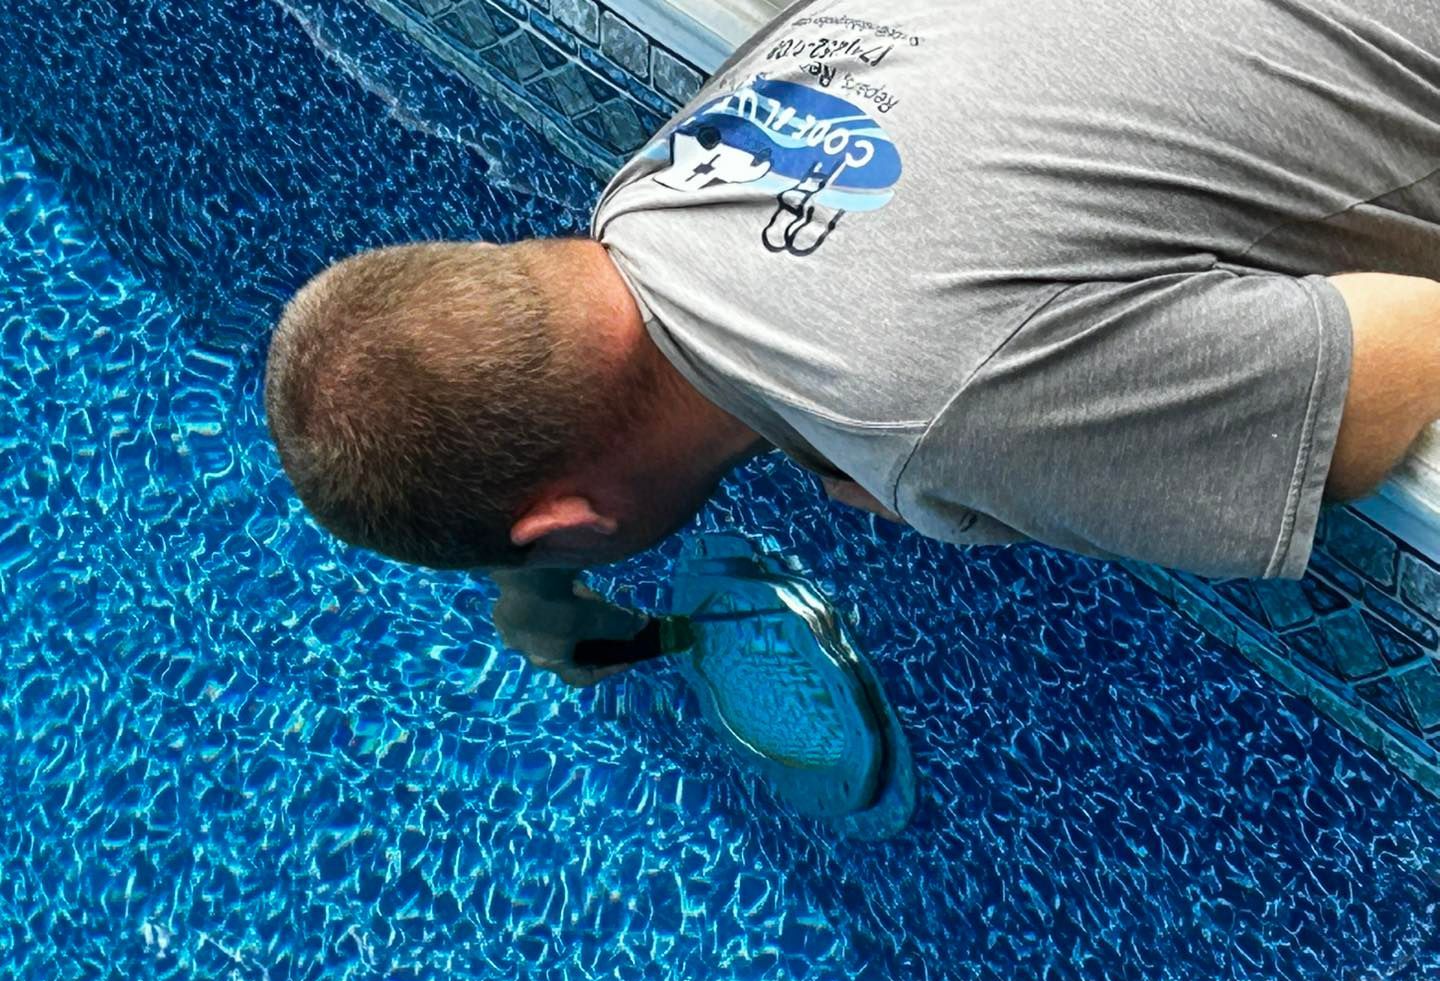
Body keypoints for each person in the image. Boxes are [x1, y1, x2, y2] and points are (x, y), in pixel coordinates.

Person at [264, 0, 1440, 685]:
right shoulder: (667, 182)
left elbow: (1405, 354)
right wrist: (539, 572)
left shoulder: (928, 413)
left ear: (574, 519)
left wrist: (992, 485)